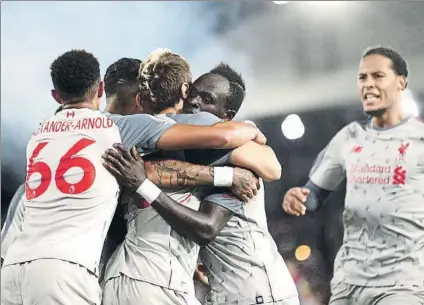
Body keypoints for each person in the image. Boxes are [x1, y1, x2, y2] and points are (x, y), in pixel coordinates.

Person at [0, 49, 266, 305]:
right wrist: (248, 139)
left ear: (57, 96)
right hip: (74, 271)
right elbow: (228, 139)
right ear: (99, 89)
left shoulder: (39, 137)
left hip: (14, 270)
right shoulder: (119, 130)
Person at [103, 56, 299, 305]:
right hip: (220, 291)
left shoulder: (233, 154)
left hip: (259, 292)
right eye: (193, 94)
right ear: (184, 91)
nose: (195, 103)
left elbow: (207, 226)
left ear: (226, 118)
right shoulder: (180, 143)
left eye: (207, 100)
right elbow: (151, 170)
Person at [282, 46, 424, 305]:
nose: (368, 84)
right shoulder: (349, 137)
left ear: (401, 82)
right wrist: (299, 197)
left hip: (403, 283)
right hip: (350, 283)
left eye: (378, 76)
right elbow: (314, 195)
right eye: (362, 77)